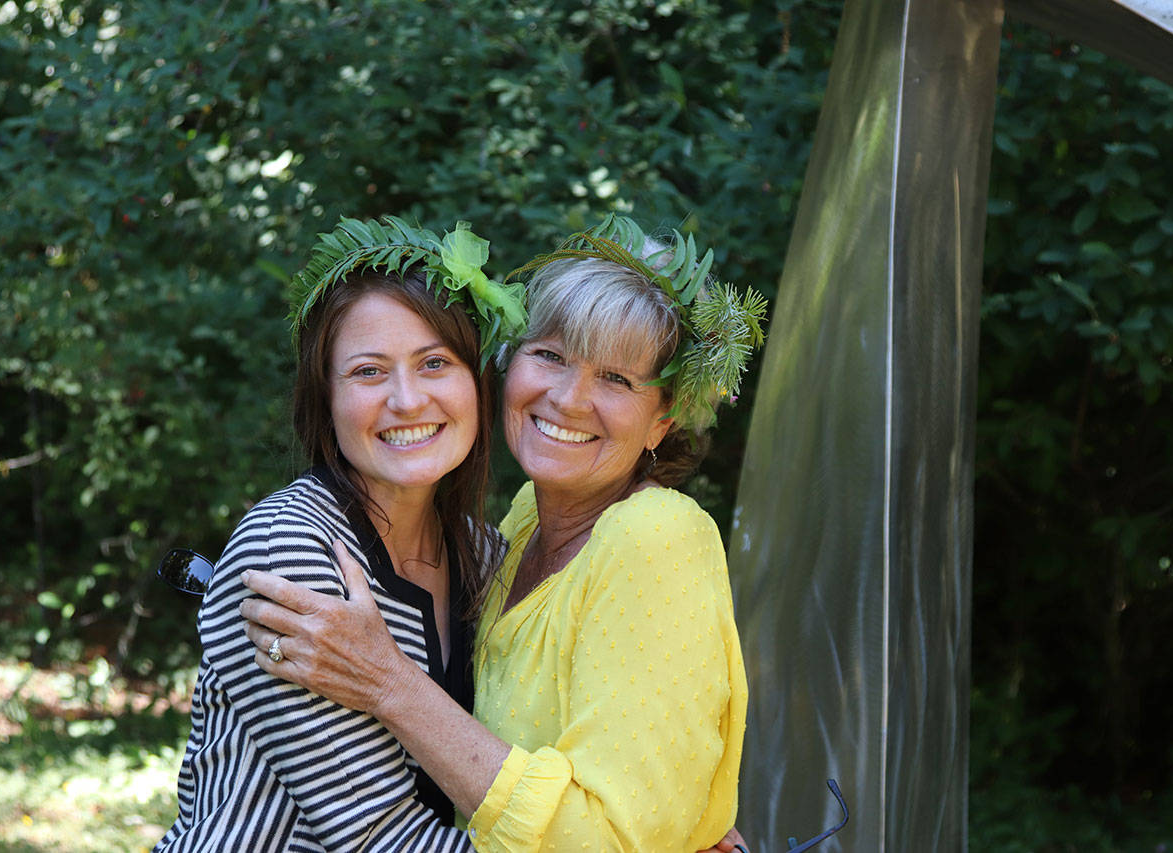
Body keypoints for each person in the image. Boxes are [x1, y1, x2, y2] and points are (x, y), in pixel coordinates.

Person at [240, 214, 766, 852]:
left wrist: (387, 680)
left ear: (663, 420)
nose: (569, 399)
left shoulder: (653, 536)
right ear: (507, 364)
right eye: (550, 356)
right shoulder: (508, 536)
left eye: (617, 378)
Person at [155, 215, 527, 851]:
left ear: (476, 384)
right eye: (368, 372)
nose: (408, 400)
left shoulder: (486, 555)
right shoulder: (291, 549)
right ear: (324, 399)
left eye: (435, 362)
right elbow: (375, 836)